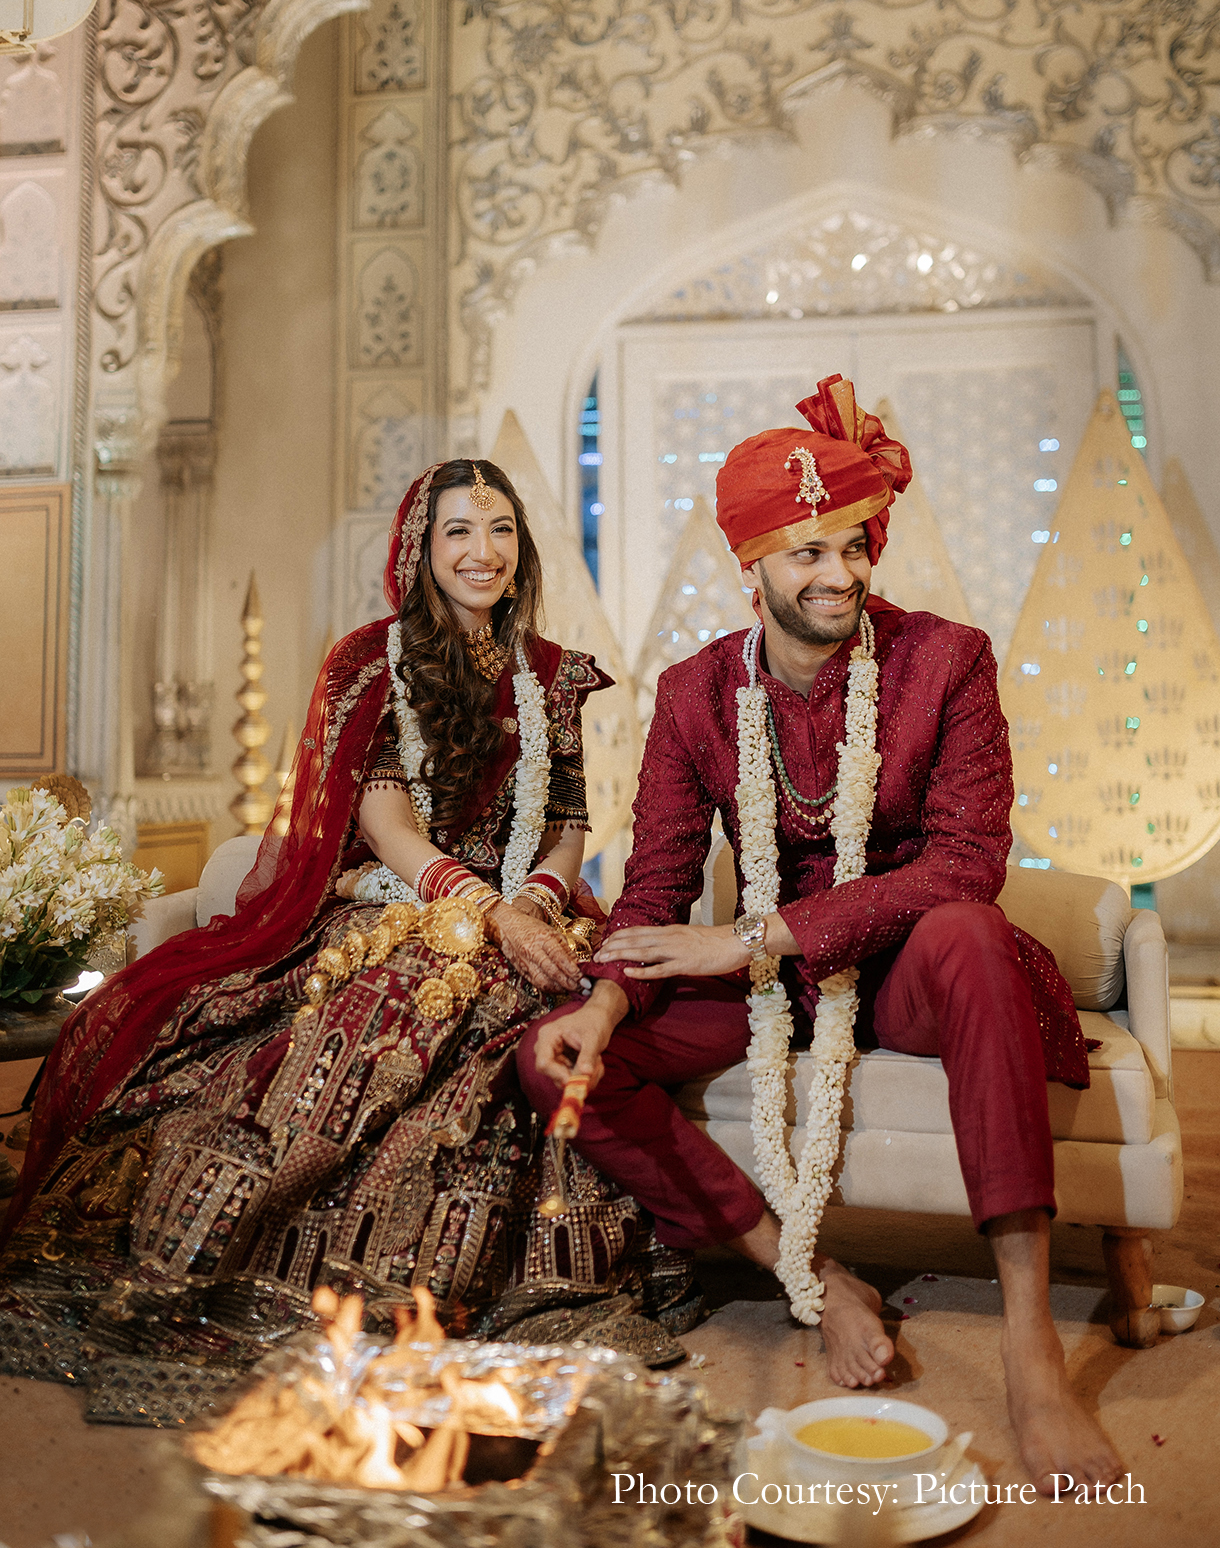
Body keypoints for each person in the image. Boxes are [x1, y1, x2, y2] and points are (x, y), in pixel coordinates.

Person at [520, 375, 1124, 1497]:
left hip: (902, 962)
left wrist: (755, 932)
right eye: (805, 553)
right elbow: (652, 884)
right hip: (768, 988)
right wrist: (605, 1003)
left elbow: (964, 862)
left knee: (972, 932)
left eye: (851, 546)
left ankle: (1030, 1341)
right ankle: (811, 1277)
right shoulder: (696, 695)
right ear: (747, 564)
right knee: (553, 1053)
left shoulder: (945, 660)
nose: (838, 575)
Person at [0, 459, 687, 1426]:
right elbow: (384, 818)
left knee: (560, 1007)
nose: (482, 552)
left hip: (529, 905)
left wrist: (531, 898)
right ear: (419, 549)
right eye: (458, 531)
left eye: (499, 531)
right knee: (379, 1018)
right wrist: (479, 908)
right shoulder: (372, 661)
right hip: (399, 899)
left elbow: (569, 817)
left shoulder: (553, 674)